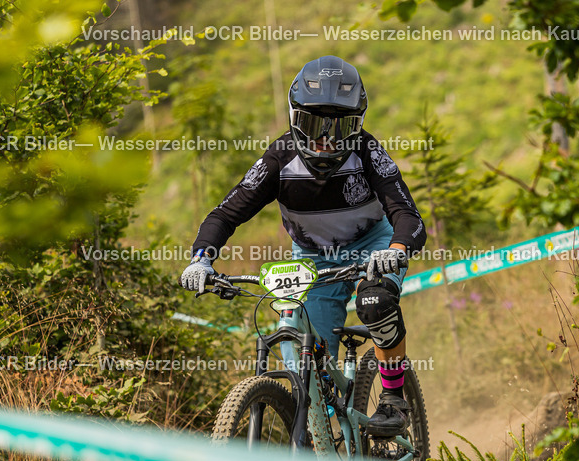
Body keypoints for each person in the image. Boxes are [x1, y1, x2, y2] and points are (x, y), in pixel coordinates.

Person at [180, 55, 426, 437]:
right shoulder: (279, 159)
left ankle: (393, 398)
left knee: (375, 301)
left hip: (372, 245)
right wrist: (201, 260)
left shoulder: (368, 152)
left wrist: (394, 249)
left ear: (358, 124)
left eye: (340, 126)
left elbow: (408, 216)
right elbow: (225, 215)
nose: (326, 140)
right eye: (313, 124)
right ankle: (323, 439)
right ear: (295, 119)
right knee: (306, 364)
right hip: (313, 257)